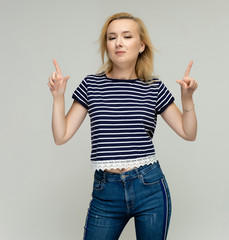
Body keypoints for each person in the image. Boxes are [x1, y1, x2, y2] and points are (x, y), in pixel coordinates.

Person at [47, 12, 198, 240]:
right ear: (106, 45)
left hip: (150, 188)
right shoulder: (91, 85)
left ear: (141, 46)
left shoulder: (153, 87)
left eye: (127, 36)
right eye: (111, 37)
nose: (118, 42)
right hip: (106, 192)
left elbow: (189, 133)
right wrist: (58, 96)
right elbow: (61, 135)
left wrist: (187, 100)